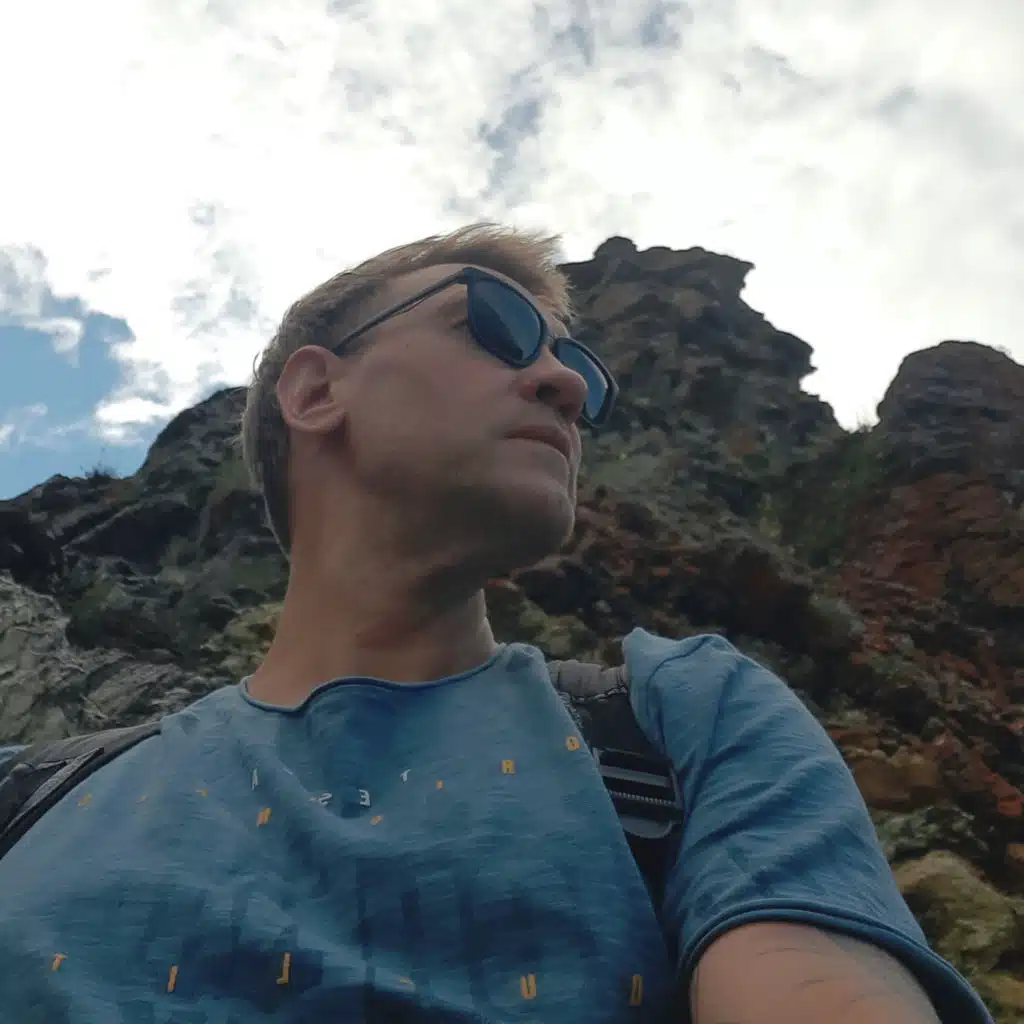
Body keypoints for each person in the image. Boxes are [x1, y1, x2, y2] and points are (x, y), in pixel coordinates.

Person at [0, 223, 993, 1023]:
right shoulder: (29, 792)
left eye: (581, 369)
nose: (568, 386)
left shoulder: (687, 717)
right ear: (316, 390)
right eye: (494, 325)